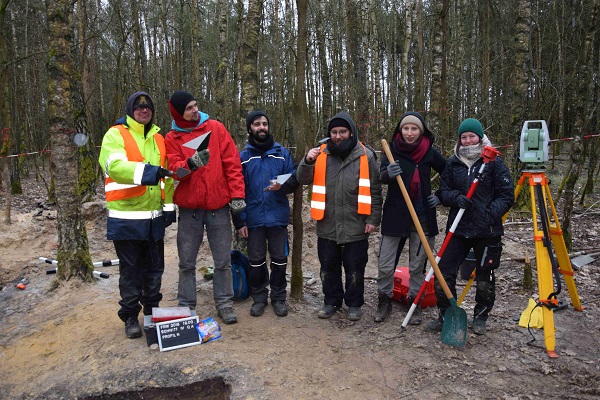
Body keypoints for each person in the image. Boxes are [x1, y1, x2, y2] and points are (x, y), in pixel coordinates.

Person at [425, 118, 514, 335]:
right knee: (443, 272)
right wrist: (456, 198)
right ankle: (446, 315)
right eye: (463, 137)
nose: (467, 141)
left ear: (480, 137)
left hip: (487, 230)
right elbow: (443, 191)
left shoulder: (494, 163)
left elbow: (506, 195)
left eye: (471, 136)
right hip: (459, 229)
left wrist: (489, 214)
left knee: (485, 276)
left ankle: (480, 317)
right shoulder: (452, 163)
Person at [98, 91, 176, 339]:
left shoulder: (159, 139)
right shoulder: (115, 134)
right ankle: (130, 316)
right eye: (139, 107)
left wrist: (169, 208)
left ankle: (152, 313)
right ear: (131, 110)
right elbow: (115, 166)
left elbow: (167, 179)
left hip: (154, 220)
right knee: (130, 273)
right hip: (127, 220)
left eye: (148, 107)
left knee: (154, 270)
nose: (144, 110)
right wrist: (150, 171)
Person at [164, 90, 246, 325]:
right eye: (189, 108)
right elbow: (175, 173)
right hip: (190, 212)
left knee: (222, 261)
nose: (195, 110)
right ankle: (186, 307)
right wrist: (191, 163)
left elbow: (233, 165)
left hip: (218, 208)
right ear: (179, 113)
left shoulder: (216, 128)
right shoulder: (171, 138)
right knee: (186, 263)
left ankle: (224, 304)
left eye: (195, 105)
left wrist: (237, 199)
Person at [296, 111, 382, 321]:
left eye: (342, 131)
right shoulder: (320, 154)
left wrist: (373, 219)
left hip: (357, 223)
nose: (338, 136)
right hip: (327, 223)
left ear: (351, 132)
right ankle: (331, 302)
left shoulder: (366, 155)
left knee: (355, 269)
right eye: (334, 132)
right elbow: (302, 178)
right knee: (328, 267)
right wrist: (307, 161)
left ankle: (354, 304)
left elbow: (375, 189)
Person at [375, 112, 446, 324]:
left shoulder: (430, 153)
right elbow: (381, 177)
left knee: (417, 266)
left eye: (414, 129)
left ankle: (414, 303)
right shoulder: (391, 150)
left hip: (423, 215)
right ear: (400, 130)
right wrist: (388, 172)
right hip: (396, 215)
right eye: (406, 128)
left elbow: (450, 172)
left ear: (421, 131)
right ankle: (383, 299)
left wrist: (441, 195)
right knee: (385, 264)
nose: (409, 133)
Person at [234, 111, 299, 317]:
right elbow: (237, 190)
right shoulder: (243, 157)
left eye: (264, 124)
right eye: (256, 124)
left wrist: (283, 184)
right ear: (250, 128)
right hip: (253, 219)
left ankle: (279, 298)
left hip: (277, 217)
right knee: (256, 261)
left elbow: (294, 178)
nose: (261, 127)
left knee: (280, 260)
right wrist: (239, 221)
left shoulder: (282, 152)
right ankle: (259, 298)